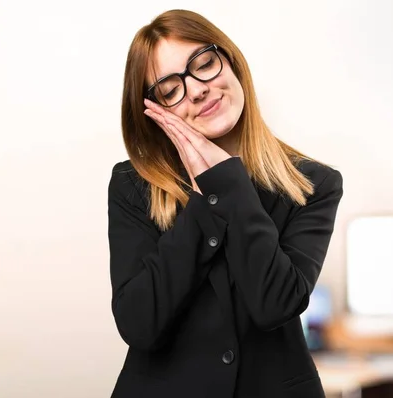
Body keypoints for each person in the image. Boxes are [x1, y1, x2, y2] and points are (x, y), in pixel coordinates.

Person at [107, 9, 343, 398]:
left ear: (231, 62)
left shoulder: (314, 184)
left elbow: (276, 304)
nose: (197, 89)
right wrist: (204, 199)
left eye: (204, 64)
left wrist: (228, 182)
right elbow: (139, 324)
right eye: (170, 89)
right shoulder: (133, 185)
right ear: (157, 113)